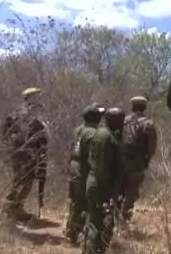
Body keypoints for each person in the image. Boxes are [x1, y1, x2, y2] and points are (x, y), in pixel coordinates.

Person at [0, 87, 49, 221]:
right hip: (26, 155)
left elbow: (4, 131)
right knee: (24, 182)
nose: (39, 98)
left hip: (18, 153)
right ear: (31, 98)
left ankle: (13, 208)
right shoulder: (28, 115)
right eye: (37, 96)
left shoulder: (16, 113)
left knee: (19, 181)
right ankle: (12, 208)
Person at [81, 108, 124, 254]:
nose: (123, 122)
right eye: (120, 119)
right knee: (97, 223)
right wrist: (107, 189)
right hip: (100, 185)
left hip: (97, 183)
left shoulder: (103, 133)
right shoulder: (105, 136)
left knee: (94, 220)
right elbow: (101, 167)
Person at [63, 103, 105, 245]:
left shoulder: (78, 129)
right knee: (82, 202)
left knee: (74, 200)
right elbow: (94, 157)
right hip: (83, 169)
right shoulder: (93, 133)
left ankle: (70, 228)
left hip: (73, 166)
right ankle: (73, 233)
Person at [119, 96, 157, 221]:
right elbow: (151, 147)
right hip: (137, 162)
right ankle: (125, 217)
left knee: (119, 189)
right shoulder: (148, 124)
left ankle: (115, 215)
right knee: (131, 192)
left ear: (132, 106)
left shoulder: (123, 120)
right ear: (144, 107)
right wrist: (147, 160)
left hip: (121, 161)